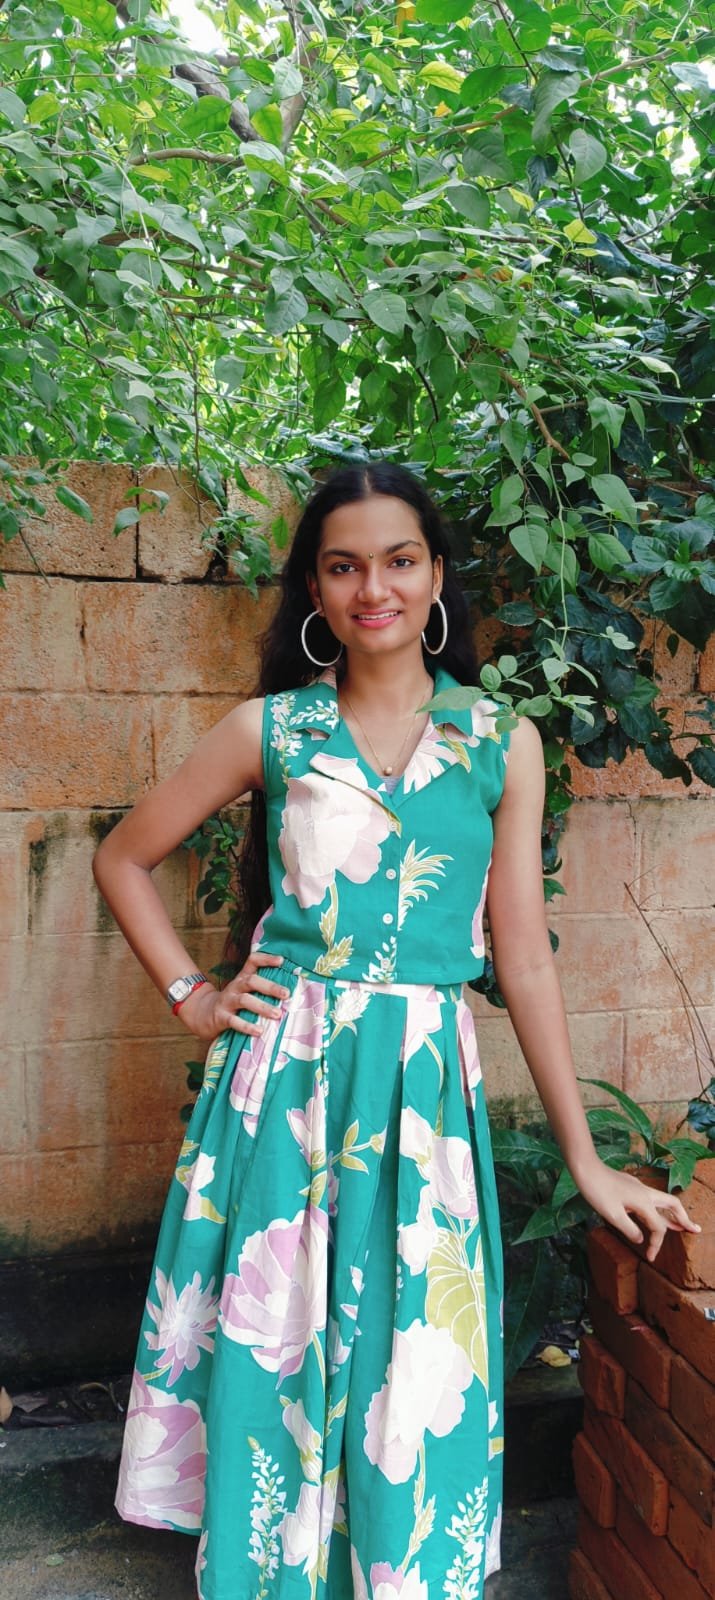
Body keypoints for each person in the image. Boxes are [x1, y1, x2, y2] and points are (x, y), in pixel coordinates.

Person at [93, 461, 700, 1600]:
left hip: (421, 1093)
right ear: (315, 591)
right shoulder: (271, 730)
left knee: (406, 1356)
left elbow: (521, 958)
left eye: (398, 560)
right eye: (343, 566)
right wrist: (194, 997)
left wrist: (584, 1158)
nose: (373, 587)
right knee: (279, 1342)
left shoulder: (498, 741)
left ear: (434, 578)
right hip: (285, 1086)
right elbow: (123, 857)